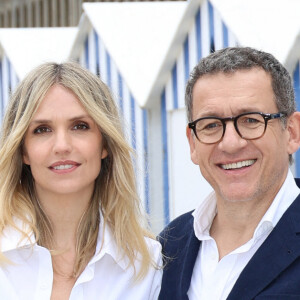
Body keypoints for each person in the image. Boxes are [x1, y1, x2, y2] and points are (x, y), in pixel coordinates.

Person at [0, 62, 162, 299]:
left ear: (104, 144)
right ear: (23, 150)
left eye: (80, 126)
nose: (62, 146)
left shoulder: (146, 265)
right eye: (42, 130)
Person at [158, 47, 300, 300]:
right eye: (211, 125)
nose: (231, 143)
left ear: (291, 132)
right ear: (192, 143)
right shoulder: (169, 246)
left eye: (251, 120)